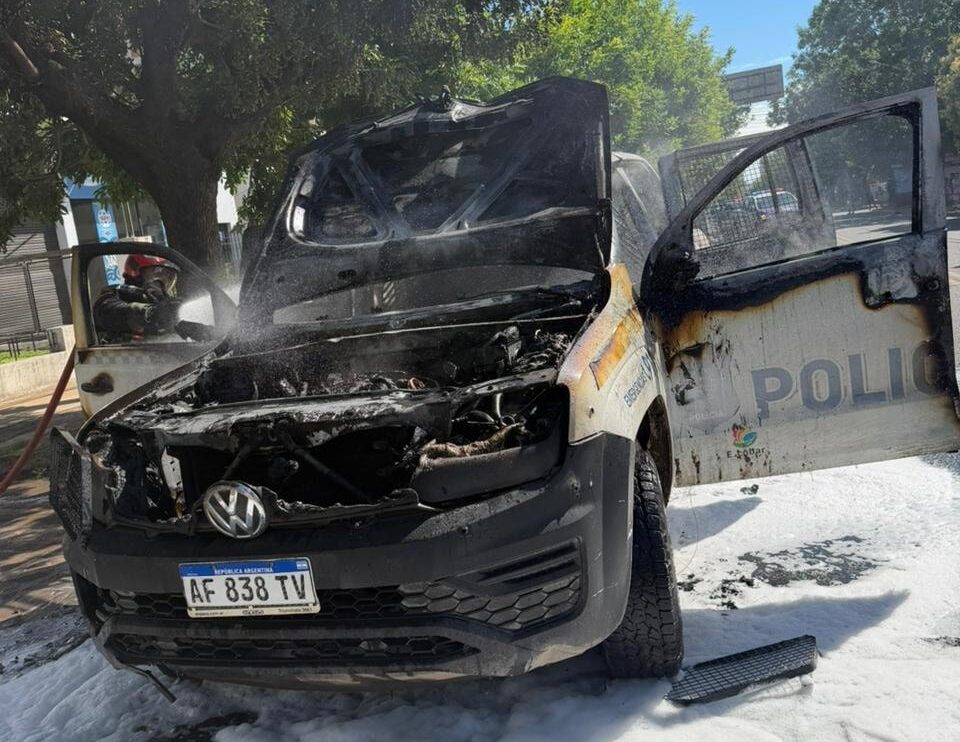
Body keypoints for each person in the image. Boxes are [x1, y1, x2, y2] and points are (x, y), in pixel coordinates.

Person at [92, 254, 182, 343]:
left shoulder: (169, 305)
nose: (164, 280)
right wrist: (150, 313)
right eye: (158, 272)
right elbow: (106, 311)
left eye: (169, 276)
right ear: (136, 272)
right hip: (126, 355)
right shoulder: (119, 293)